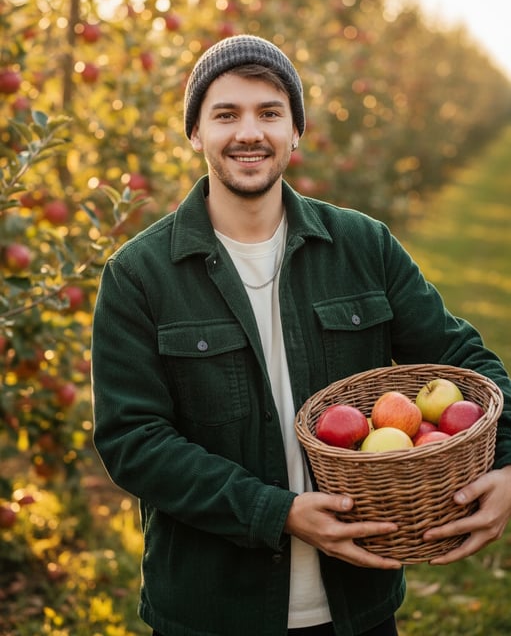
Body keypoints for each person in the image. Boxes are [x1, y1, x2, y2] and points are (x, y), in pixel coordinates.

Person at [91, 34, 511, 636]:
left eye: (269, 113)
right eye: (226, 114)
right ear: (195, 133)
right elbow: (133, 440)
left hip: (356, 605)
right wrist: (277, 513)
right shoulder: (139, 276)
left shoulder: (364, 247)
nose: (249, 133)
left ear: (295, 131)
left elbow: (462, 358)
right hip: (212, 610)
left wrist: (509, 463)